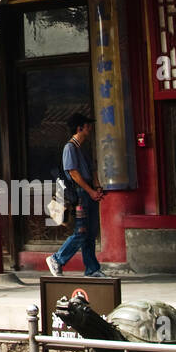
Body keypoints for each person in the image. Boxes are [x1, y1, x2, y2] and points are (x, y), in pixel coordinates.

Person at [47, 113, 106, 278]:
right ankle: (57, 259)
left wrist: (98, 187)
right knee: (81, 230)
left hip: (88, 191)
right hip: (80, 193)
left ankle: (92, 269)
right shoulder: (70, 147)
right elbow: (73, 173)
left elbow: (92, 170)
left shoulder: (82, 148)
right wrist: (90, 190)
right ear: (80, 127)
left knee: (90, 232)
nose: (90, 128)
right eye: (87, 125)